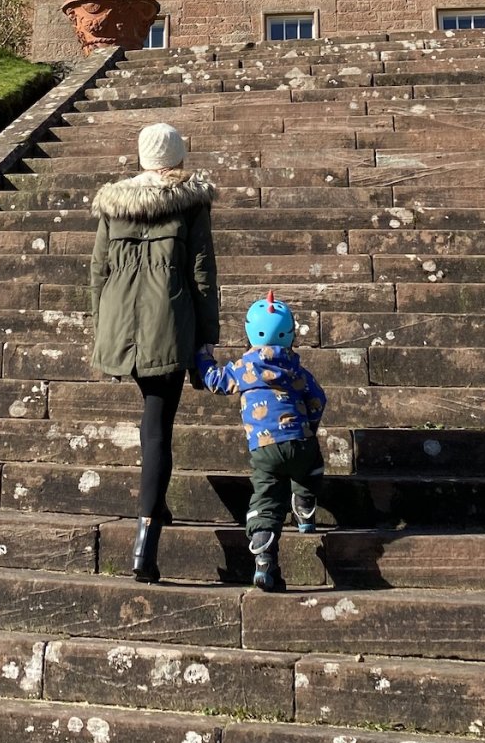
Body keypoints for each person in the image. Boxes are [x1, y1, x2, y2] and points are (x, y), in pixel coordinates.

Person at [89, 121, 219, 585]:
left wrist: (100, 328)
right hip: (171, 326)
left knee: (151, 421)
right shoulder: (190, 204)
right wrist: (207, 341)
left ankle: (155, 504)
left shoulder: (114, 205)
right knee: (158, 426)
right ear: (178, 159)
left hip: (120, 327)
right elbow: (202, 275)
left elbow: (98, 273)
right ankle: (146, 539)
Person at [198, 292, 327, 592]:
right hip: (300, 439)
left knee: (266, 499)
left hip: (264, 448)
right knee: (310, 469)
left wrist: (202, 357)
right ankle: (305, 508)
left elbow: (215, 380)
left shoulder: (243, 369)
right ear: (291, 335)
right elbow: (319, 399)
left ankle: (264, 558)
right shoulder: (297, 370)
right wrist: (311, 424)